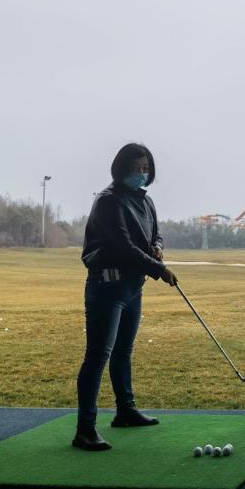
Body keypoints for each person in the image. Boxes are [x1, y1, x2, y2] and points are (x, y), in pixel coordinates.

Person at [73, 143, 178, 451]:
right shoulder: (108, 201)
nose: (142, 173)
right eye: (136, 168)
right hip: (107, 287)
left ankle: (126, 411)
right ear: (121, 169)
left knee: (123, 352)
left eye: (146, 168)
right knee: (97, 357)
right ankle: (85, 430)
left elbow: (155, 234)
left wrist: (157, 247)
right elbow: (123, 246)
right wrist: (160, 269)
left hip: (133, 287)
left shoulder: (146, 201)